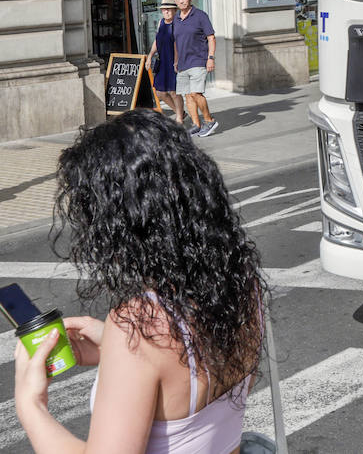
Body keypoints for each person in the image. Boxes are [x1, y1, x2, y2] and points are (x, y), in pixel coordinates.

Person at [13, 110, 266, 453]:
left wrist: (31, 406)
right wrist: (111, 350)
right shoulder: (240, 280)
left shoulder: (138, 325)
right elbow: (193, 371)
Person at [172, 0, 218, 136]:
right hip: (183, 63)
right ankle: (196, 124)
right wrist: (176, 61)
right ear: (175, 1)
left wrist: (210, 58)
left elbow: (211, 37)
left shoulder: (200, 16)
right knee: (187, 95)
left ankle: (209, 121)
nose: (181, 1)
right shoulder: (176, 19)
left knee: (195, 93)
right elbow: (176, 42)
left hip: (198, 60)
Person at [145, 0, 184, 127]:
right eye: (164, 9)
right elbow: (157, 40)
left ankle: (179, 118)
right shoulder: (161, 22)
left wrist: (177, 62)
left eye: (169, 9)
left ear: (174, 10)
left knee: (173, 91)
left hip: (174, 61)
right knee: (160, 92)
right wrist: (150, 55)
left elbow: (178, 44)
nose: (166, 11)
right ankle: (180, 112)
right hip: (163, 61)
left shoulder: (178, 23)